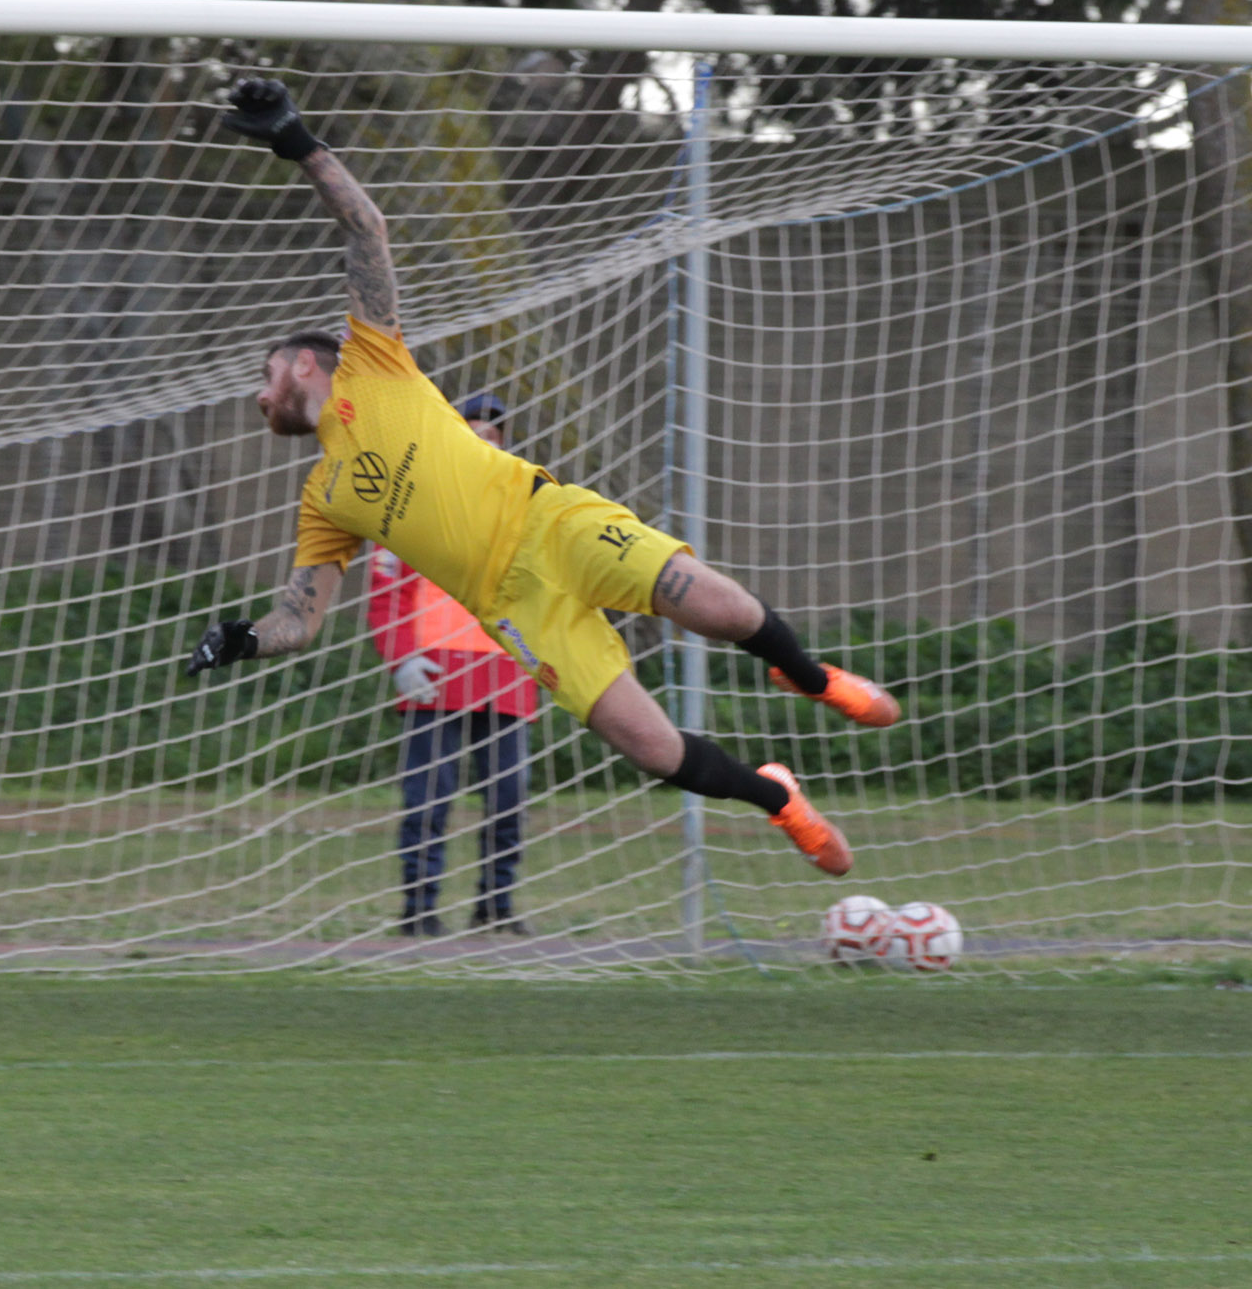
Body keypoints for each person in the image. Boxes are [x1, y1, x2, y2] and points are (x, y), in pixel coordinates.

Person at [183, 79, 895, 884]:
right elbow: (300, 616)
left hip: (555, 523)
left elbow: (366, 228)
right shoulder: (323, 498)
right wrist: (246, 638)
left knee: (721, 608)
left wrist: (298, 142)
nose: (259, 395)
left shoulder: (373, 360)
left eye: (265, 375)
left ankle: (812, 678)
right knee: (652, 748)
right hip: (517, 606)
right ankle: (778, 798)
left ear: (305, 362)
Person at [372, 390, 538, 937]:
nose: (482, 442)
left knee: (509, 801)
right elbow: (386, 594)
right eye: (471, 432)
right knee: (428, 800)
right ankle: (419, 910)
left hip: (506, 674)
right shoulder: (411, 505)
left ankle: (496, 907)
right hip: (434, 675)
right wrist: (401, 659)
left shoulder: (524, 507)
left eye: (492, 435)